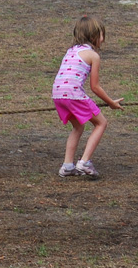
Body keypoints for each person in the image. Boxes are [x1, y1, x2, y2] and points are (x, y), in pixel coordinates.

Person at [52, 15, 122, 179]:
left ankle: (68, 165)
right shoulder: (93, 55)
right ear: (94, 36)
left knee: (78, 127)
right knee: (101, 123)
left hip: (57, 94)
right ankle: (84, 162)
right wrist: (111, 103)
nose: (103, 39)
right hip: (73, 95)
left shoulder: (70, 51)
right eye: (101, 35)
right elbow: (95, 87)